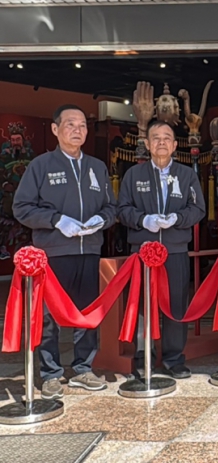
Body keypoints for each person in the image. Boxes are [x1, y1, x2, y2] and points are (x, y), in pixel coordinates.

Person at [13, 104, 117, 399]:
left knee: (86, 313)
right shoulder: (41, 166)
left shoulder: (97, 167)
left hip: (89, 251)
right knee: (48, 317)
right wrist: (56, 220)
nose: (77, 130)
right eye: (70, 124)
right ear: (56, 129)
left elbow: (112, 207)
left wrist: (102, 220)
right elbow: (21, 207)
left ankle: (83, 369)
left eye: (83, 125)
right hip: (53, 253)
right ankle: (50, 374)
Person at [117, 120, 206, 379]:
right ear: (146, 143)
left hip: (176, 249)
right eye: (156, 138)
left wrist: (178, 219)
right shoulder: (133, 175)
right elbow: (122, 209)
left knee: (177, 306)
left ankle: (174, 359)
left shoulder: (187, 174)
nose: (162, 142)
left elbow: (198, 208)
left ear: (176, 145)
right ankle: (144, 357)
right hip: (142, 251)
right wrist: (144, 220)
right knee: (144, 305)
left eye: (167, 138)